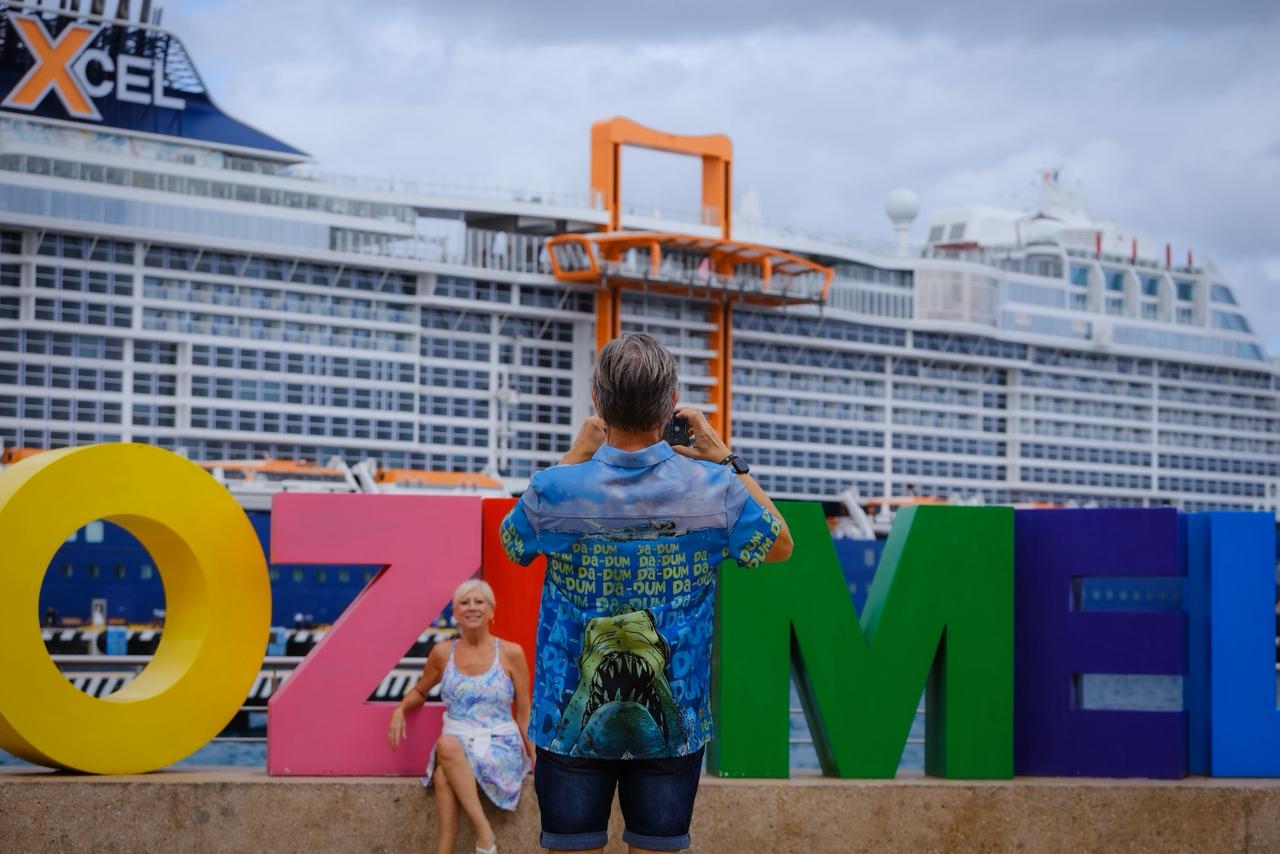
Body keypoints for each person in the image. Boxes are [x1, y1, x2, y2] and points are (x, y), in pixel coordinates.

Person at [499, 332, 793, 854]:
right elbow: (781, 544)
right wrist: (726, 458)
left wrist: (575, 456)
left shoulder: (554, 488)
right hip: (674, 729)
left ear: (597, 400)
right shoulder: (715, 488)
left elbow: (512, 543)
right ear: (671, 402)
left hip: (564, 720)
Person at [388, 579, 533, 854]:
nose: (472, 607)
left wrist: (538, 760)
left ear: (491, 610)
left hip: (501, 748)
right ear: (455, 612)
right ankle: (478, 838)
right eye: (464, 603)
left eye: (479, 602)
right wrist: (400, 709)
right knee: (445, 764)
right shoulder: (442, 653)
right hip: (458, 748)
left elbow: (525, 714)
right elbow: (420, 691)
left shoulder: (511, 653)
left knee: (445, 756)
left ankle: (482, 835)